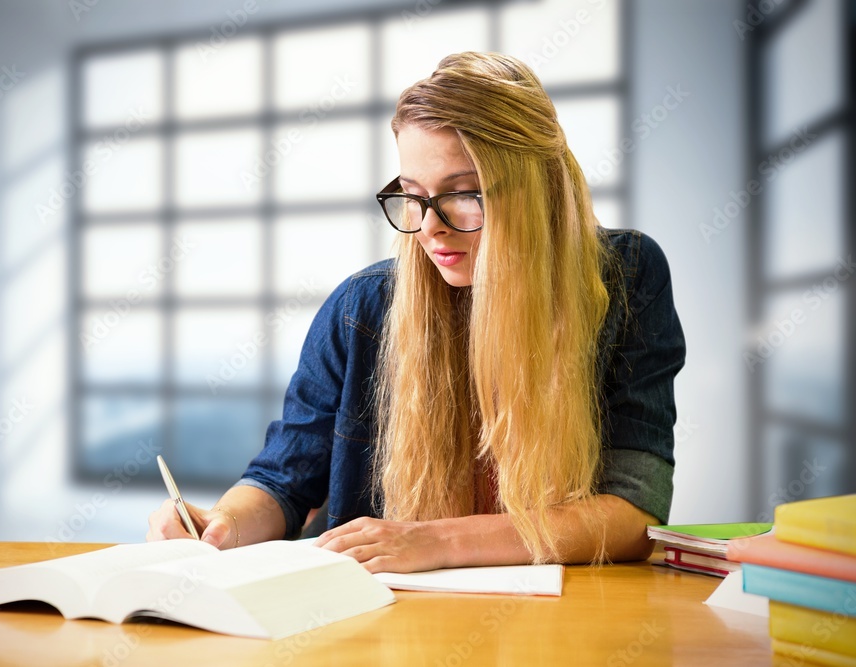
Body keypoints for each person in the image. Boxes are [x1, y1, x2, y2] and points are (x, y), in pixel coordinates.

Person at [147, 51, 686, 574]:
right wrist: (222, 526)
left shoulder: (625, 275)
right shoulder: (362, 307)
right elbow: (284, 482)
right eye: (413, 195)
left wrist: (436, 541)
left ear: (540, 189)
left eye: (464, 194)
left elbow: (633, 515)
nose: (429, 227)